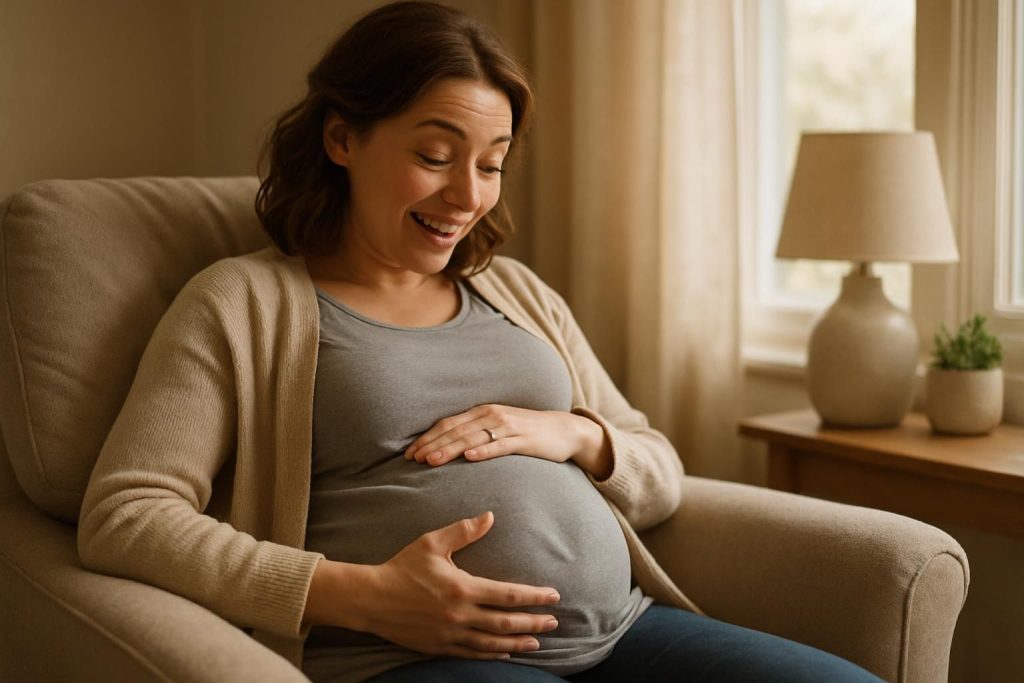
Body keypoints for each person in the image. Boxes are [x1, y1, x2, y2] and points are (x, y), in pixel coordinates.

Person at [78, 2, 884, 682]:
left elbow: (658, 468)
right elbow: (125, 513)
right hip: (414, 654)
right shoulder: (242, 303)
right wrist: (356, 593)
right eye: (435, 156)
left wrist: (573, 433)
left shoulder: (515, 290)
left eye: (492, 165)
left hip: (627, 631)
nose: (467, 195)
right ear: (341, 140)